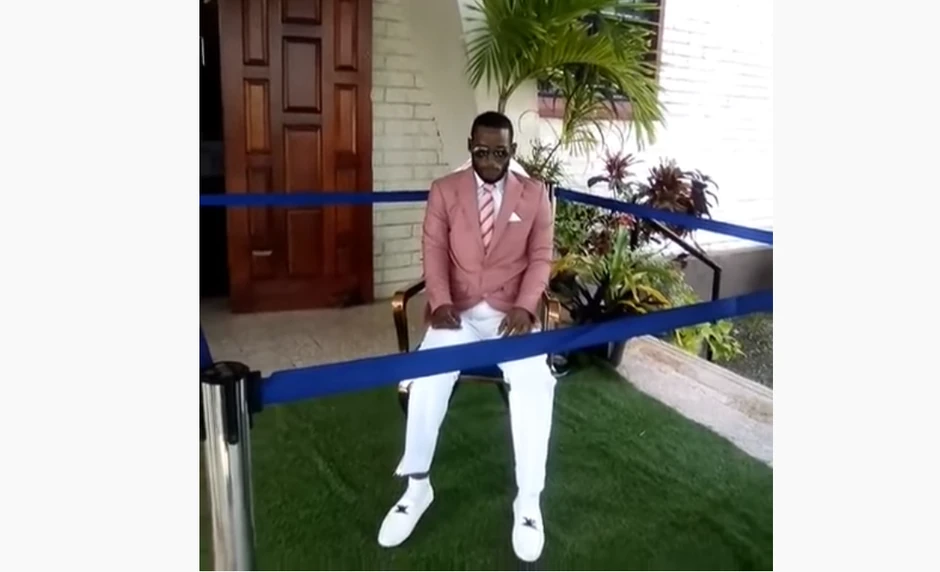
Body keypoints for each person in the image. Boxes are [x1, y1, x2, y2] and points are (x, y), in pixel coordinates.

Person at [376, 111, 557, 562]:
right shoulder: (445, 190)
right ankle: (417, 487)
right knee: (426, 380)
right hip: (455, 314)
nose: (491, 161)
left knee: (536, 384)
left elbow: (541, 258)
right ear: (469, 145)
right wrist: (439, 301)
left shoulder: (535, 195)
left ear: (512, 151)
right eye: (481, 151)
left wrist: (526, 305)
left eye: (500, 152)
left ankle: (528, 500)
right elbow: (434, 251)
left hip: (511, 316)